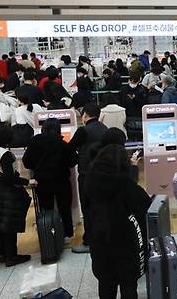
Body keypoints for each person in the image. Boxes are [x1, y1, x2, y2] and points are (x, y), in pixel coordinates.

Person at [86, 143, 151, 299]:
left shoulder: (90, 183)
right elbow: (145, 204)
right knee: (128, 286)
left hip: (100, 241)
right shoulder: (126, 185)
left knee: (106, 284)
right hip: (125, 245)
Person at [0, 125, 31, 267]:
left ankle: (2, 254)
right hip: (6, 192)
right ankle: (12, 256)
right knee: (9, 224)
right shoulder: (5, 155)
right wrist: (26, 181)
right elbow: (10, 178)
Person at [23, 118, 78, 242]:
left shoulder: (34, 142)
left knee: (46, 209)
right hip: (62, 181)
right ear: (58, 129)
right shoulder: (62, 143)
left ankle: (49, 234)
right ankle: (68, 234)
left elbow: (26, 162)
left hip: (42, 182)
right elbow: (73, 161)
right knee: (65, 208)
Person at [69, 103, 108, 254]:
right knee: (100, 207)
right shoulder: (104, 129)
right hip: (102, 173)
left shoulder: (82, 131)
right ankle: (102, 238)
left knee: (88, 209)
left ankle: (89, 241)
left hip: (86, 174)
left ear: (85, 115)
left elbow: (70, 147)